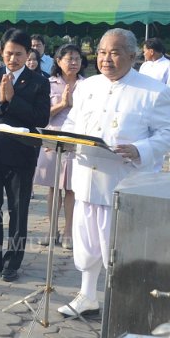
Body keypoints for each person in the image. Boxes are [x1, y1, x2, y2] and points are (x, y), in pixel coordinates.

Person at [58, 29, 170, 317]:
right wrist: (61, 141)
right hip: (86, 178)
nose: (106, 59)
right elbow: (73, 121)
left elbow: (166, 132)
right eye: (102, 52)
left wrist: (140, 149)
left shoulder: (153, 91)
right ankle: (87, 296)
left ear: (132, 56)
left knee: (118, 251)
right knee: (86, 243)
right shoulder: (87, 86)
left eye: (115, 52)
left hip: (123, 182)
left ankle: (124, 306)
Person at [0, 28, 50, 282]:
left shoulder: (39, 81)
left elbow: (41, 118)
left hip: (21, 155)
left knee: (18, 210)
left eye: (18, 54)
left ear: (28, 54)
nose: (12, 59)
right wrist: (2, 103)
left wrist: (14, 100)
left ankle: (12, 262)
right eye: (8, 53)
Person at [32, 44, 86, 249]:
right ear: (58, 60)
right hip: (51, 141)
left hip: (76, 140)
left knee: (71, 189)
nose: (73, 63)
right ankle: (51, 229)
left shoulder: (87, 85)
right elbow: (41, 114)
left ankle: (69, 232)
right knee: (53, 189)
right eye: (69, 58)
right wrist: (63, 103)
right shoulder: (48, 83)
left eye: (77, 59)